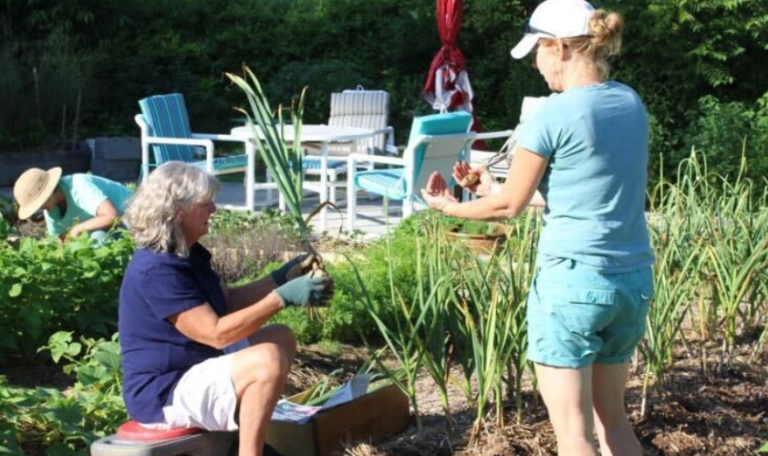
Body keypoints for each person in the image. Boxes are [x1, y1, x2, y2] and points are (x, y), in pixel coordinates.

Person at [420, 1, 654, 455]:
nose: (535, 63)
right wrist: (490, 184)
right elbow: (585, 191)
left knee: (573, 435)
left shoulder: (551, 113)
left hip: (573, 284)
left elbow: (508, 206)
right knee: (614, 427)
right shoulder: (629, 102)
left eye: (538, 51)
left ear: (561, 48)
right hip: (631, 282)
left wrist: (447, 206)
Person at [118, 161, 332, 456]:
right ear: (177, 210)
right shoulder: (157, 269)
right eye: (205, 203)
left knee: (279, 337)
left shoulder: (185, 252)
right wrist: (281, 298)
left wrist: (281, 277)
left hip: (193, 365)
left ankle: (240, 441)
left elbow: (228, 302)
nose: (214, 209)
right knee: (266, 358)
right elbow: (216, 334)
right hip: (164, 392)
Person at [13, 167, 133, 242]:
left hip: (135, 221)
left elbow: (112, 216)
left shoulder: (78, 186)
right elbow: (60, 240)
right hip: (111, 227)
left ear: (49, 192)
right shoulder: (51, 210)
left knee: (97, 239)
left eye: (39, 203)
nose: (39, 208)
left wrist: (77, 228)